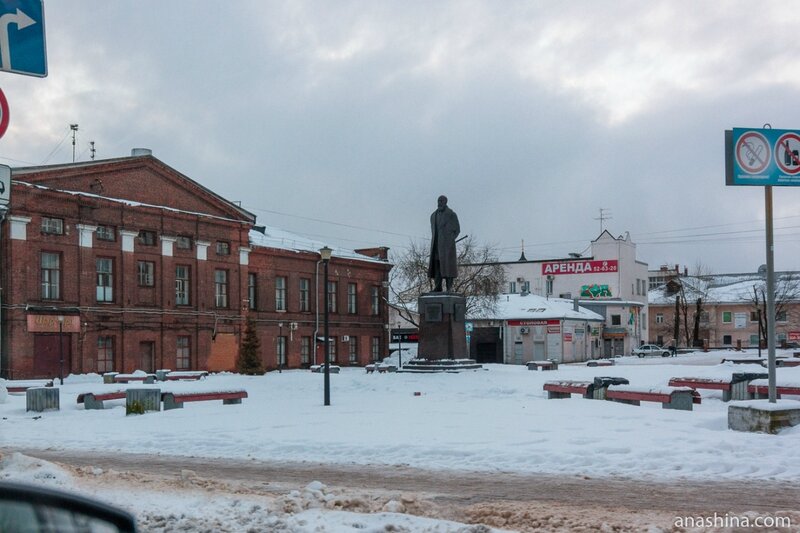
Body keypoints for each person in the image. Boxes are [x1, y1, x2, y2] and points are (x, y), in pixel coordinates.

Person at [428, 195, 460, 292]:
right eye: (438, 200)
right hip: (436, 246)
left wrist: (449, 241)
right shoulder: (433, 216)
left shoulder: (451, 214)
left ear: (446, 202)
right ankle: (438, 286)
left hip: (447, 247)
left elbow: (457, 230)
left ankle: (449, 287)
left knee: (448, 268)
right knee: (437, 266)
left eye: (441, 201)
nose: (439, 202)